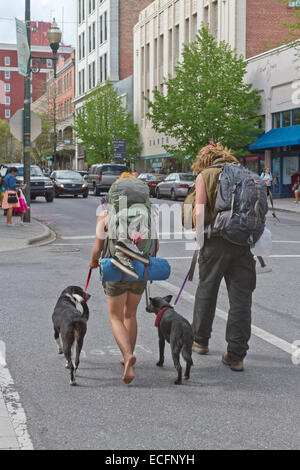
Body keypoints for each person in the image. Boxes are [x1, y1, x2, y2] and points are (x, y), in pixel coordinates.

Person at [191, 143, 256, 372]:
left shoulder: (205, 175)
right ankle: (236, 355)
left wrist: (199, 240)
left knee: (207, 290)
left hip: (215, 241)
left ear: (204, 160)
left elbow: (199, 211)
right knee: (241, 299)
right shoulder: (246, 174)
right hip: (243, 243)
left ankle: (200, 340)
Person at [89, 172, 158, 385]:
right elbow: (155, 246)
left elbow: (97, 248)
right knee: (131, 314)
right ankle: (128, 356)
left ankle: (127, 354)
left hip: (115, 270)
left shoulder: (107, 216)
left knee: (115, 316)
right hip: (139, 269)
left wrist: (93, 262)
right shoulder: (148, 213)